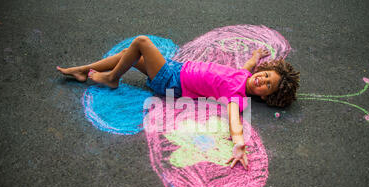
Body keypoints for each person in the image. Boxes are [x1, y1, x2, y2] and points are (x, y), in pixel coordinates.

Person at [57, 35, 300, 170]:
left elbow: (235, 122)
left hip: (171, 81)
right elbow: (246, 70)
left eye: (268, 85)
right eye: (266, 75)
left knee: (141, 43)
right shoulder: (245, 76)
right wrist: (255, 57)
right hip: (175, 69)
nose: (262, 80)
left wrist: (239, 145)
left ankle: (111, 78)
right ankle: (82, 70)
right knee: (127, 55)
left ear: (267, 96)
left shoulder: (236, 96)